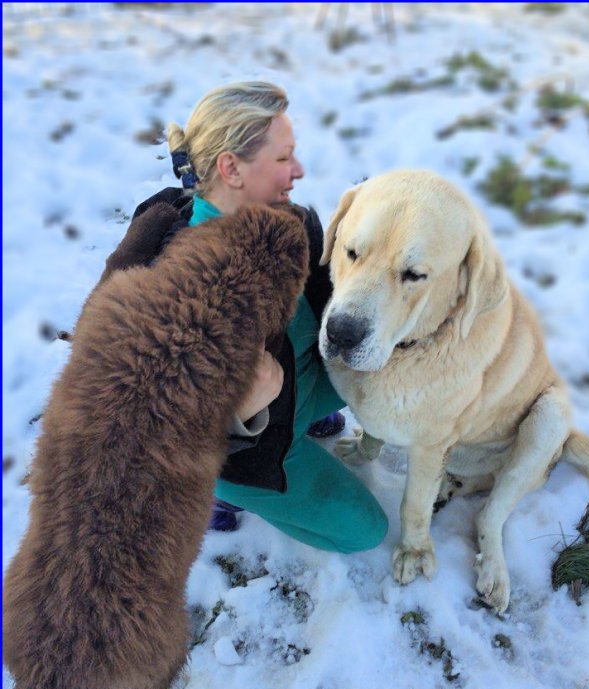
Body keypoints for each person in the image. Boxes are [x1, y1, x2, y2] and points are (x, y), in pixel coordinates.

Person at [110, 81, 388, 553]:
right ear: (231, 168)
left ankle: (306, 416)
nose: (298, 171)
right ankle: (225, 493)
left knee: (380, 370)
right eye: (283, 159)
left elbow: (328, 303)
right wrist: (238, 416)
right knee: (366, 533)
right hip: (248, 452)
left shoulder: (293, 221)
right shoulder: (175, 292)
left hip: (301, 388)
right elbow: (143, 436)